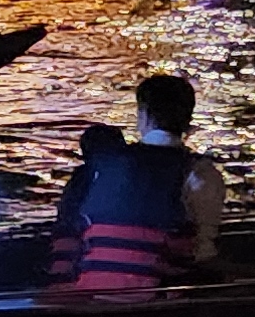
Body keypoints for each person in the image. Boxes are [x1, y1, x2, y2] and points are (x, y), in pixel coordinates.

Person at [46, 73, 226, 297]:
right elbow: (203, 251)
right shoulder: (200, 173)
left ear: (144, 115)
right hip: (156, 301)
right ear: (188, 118)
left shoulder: (102, 166)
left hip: (92, 293)